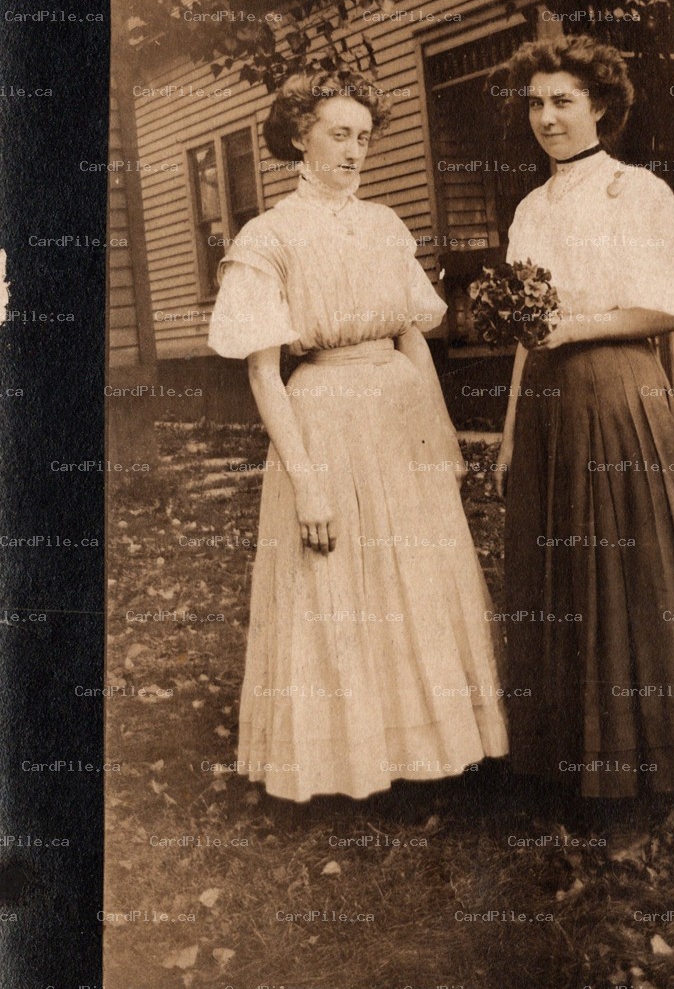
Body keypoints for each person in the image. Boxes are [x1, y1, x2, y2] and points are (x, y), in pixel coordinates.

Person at [207, 67, 507, 804]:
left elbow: (413, 340)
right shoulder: (268, 236)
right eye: (339, 134)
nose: (354, 150)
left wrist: (442, 443)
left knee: (417, 575)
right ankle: (350, 759)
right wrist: (306, 478)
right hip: (326, 417)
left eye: (364, 137)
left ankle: (436, 747)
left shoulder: (384, 226)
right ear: (299, 139)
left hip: (399, 417)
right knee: (341, 581)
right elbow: (263, 374)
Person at [493, 35, 674, 816]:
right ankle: (570, 757)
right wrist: (507, 432)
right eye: (535, 102)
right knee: (556, 570)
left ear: (600, 106)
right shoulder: (531, 206)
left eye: (563, 100)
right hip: (543, 402)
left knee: (630, 567)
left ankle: (658, 757)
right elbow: (524, 329)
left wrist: (582, 328)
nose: (547, 116)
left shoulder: (636, 192)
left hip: (618, 390)